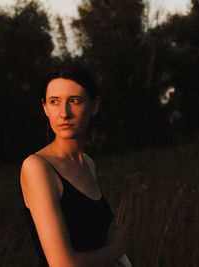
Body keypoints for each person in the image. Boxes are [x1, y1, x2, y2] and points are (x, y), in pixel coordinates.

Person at [20, 62, 129, 267]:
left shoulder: (88, 163)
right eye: (54, 102)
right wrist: (115, 250)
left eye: (75, 100)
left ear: (94, 105)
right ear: (45, 107)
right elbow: (63, 264)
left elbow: (99, 232)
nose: (64, 113)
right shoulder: (37, 167)